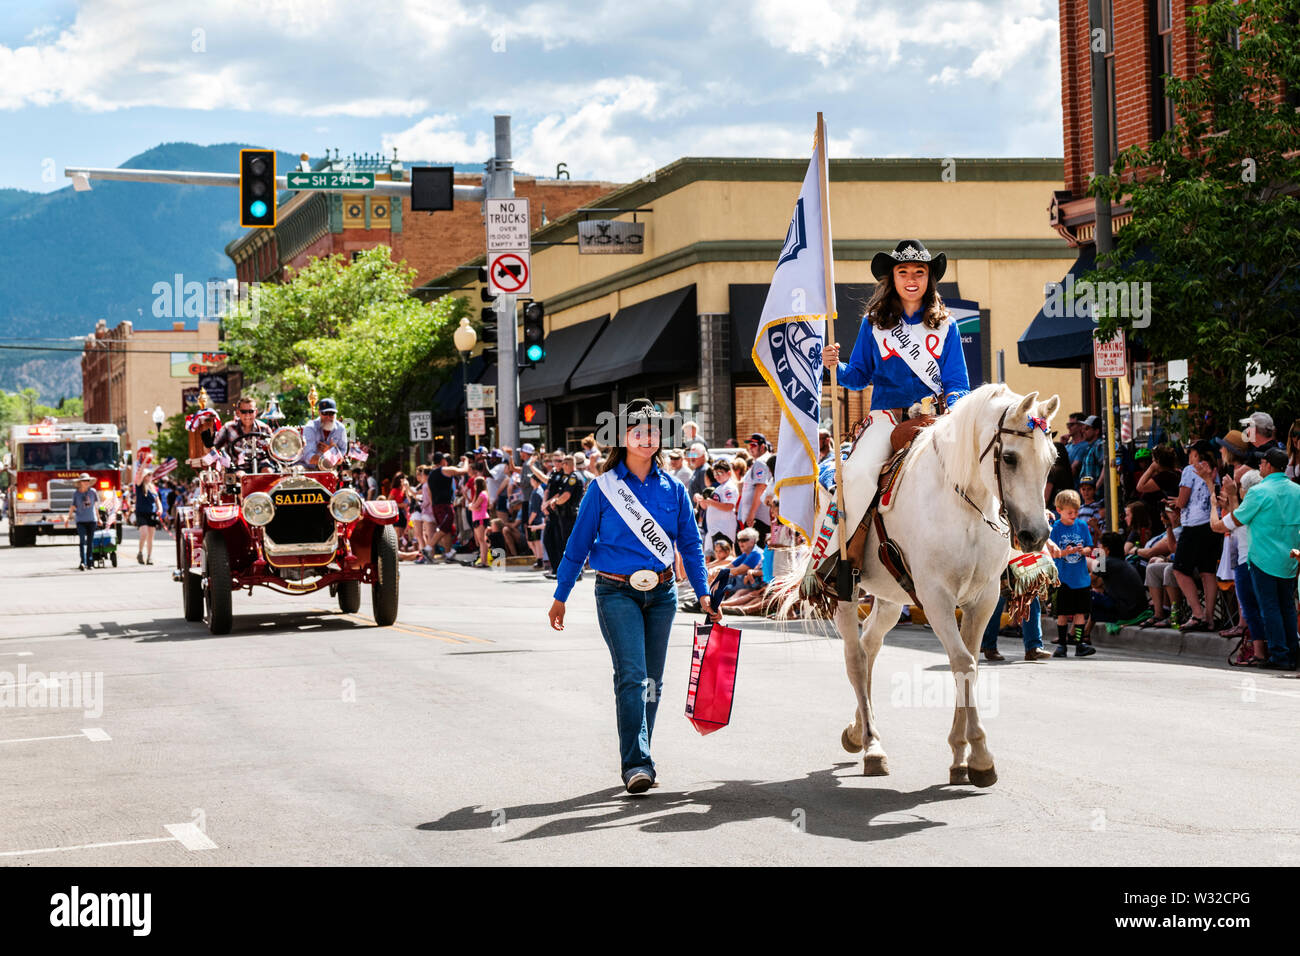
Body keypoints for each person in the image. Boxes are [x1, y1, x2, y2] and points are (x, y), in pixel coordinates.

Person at [547, 398, 720, 794]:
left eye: (653, 431)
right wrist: (561, 594)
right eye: (638, 431)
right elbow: (577, 545)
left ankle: (640, 751)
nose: (647, 438)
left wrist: (704, 593)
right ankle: (637, 764)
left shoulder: (673, 490)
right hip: (615, 591)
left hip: (661, 594)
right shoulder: (602, 489)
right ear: (622, 438)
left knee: (653, 680)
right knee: (633, 676)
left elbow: (691, 547)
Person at [821, 239, 970, 514]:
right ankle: (849, 550)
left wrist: (955, 411)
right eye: (903, 271)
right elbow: (858, 376)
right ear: (893, 277)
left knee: (978, 475)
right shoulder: (873, 323)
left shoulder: (948, 326)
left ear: (929, 278)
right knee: (858, 473)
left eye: (919, 272)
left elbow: (957, 383)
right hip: (885, 419)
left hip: (935, 418)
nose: (911, 279)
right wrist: (835, 367)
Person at [1209, 447, 1300, 670]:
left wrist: (1215, 516)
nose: (1259, 466)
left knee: (1270, 608)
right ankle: (1292, 653)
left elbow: (1235, 520)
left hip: (1264, 559)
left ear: (1269, 465)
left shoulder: (1259, 492)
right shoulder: (1297, 490)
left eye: (1262, 463)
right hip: (1290, 560)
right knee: (1287, 607)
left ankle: (1279, 655)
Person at [1170, 439, 1222, 632]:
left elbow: (1183, 501)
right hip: (1211, 524)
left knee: (1180, 569)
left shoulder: (1189, 470)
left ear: (1195, 454)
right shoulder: (1214, 470)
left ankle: (1197, 614)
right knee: (1207, 571)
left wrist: (1174, 504)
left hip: (1193, 525)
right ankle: (1209, 617)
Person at [1046, 489, 1097, 657]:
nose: (1074, 515)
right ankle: (1062, 645)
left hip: (1080, 577)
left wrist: (1084, 551)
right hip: (1063, 578)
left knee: (1080, 612)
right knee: (1062, 613)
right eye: (1070, 512)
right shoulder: (1056, 528)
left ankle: (1079, 643)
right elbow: (1053, 552)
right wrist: (1066, 552)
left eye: (1076, 511)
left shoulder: (1082, 526)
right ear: (1059, 510)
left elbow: (1090, 547)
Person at [1091, 532, 1147, 624]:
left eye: (1100, 547)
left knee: (1086, 597)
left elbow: (1086, 581)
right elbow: (1096, 584)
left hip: (1126, 611)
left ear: (1107, 549)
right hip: (1136, 609)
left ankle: (1076, 634)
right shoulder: (1119, 561)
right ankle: (1086, 633)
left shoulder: (1106, 561)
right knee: (1095, 593)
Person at [213, 396, 273, 470]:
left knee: (268, 471)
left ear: (256, 412)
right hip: (236, 467)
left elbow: (275, 451)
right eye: (243, 412)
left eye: (251, 411)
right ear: (238, 412)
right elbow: (214, 447)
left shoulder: (265, 429)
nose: (247, 415)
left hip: (261, 466)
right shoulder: (228, 428)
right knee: (241, 476)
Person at [696, 458, 739, 551]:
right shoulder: (720, 487)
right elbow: (707, 506)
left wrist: (711, 502)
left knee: (722, 557)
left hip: (724, 529)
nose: (716, 476)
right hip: (715, 529)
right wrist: (703, 501)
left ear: (729, 473)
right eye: (715, 473)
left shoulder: (729, 487)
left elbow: (729, 506)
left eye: (720, 473)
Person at [737, 434, 772, 545]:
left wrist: (751, 514)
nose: (750, 448)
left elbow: (761, 487)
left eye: (753, 445)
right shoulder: (759, 461)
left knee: (755, 553)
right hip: (758, 517)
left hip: (758, 518)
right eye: (749, 445)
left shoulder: (760, 462)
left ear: (762, 446)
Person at [298, 398, 347, 468]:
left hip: (329, 469)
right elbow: (308, 457)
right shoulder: (310, 427)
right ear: (319, 413)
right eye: (325, 413)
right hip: (308, 468)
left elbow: (343, 451)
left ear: (335, 414)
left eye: (331, 413)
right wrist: (331, 455)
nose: (328, 417)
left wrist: (329, 452)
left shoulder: (341, 429)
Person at [66, 473, 99, 571]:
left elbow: (96, 506)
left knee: (90, 542)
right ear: (80, 482)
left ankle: (90, 562)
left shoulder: (93, 492)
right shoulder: (76, 494)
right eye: (84, 481)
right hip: (80, 520)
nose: (86, 483)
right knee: (82, 541)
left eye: (88, 481)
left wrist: (99, 518)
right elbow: (73, 506)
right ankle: (82, 562)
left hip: (92, 520)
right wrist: (68, 518)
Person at [133, 470, 162, 565]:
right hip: (141, 513)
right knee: (144, 533)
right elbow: (139, 475)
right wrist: (145, 460)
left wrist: (160, 509)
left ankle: (149, 557)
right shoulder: (139, 485)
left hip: (152, 514)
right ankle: (140, 552)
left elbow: (157, 500)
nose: (149, 476)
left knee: (150, 537)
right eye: (147, 475)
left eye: (150, 475)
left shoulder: (153, 488)